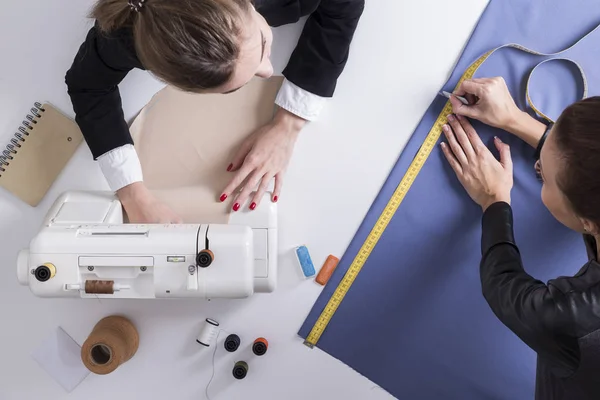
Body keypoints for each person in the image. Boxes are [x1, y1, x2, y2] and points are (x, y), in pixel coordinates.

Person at [65, 0, 364, 223]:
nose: (269, 70)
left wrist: (289, 123)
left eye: (261, 43)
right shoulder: (126, 36)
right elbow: (88, 86)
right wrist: (133, 194)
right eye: (232, 88)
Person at [441, 77, 600, 399]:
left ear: (587, 222)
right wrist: (514, 119)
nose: (537, 166)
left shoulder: (572, 319)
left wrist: (494, 199)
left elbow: (504, 285)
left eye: (546, 179)